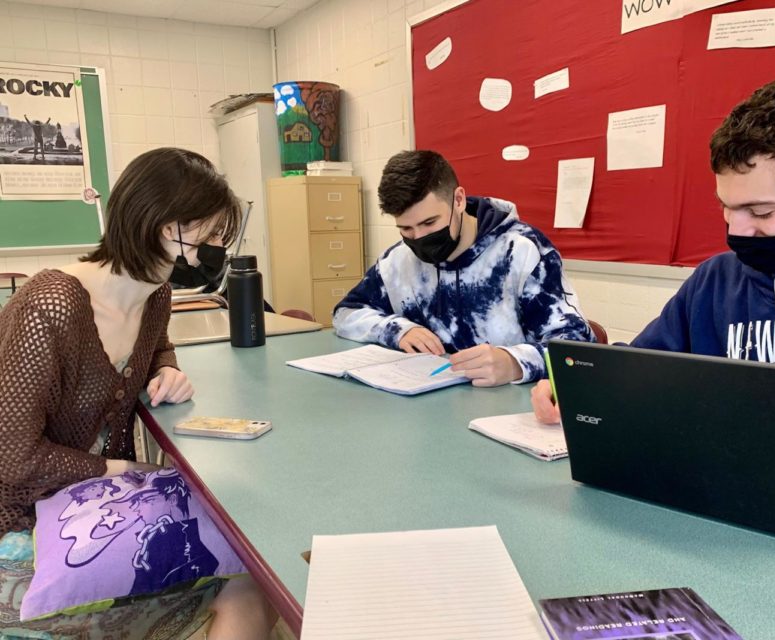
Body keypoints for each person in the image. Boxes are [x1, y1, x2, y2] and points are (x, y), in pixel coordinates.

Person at [532, 73, 775, 486]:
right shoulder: (717, 281)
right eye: (726, 206)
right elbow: (643, 374)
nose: (737, 229)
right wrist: (578, 386)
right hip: (727, 495)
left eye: (761, 212)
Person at [0, 148, 275, 638]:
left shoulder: (157, 294)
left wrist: (167, 370)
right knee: (251, 581)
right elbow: (12, 458)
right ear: (162, 226)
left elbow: (157, 345)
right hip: (25, 526)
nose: (218, 248)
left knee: (253, 569)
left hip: (93, 503)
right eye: (210, 235)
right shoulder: (50, 305)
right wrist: (124, 469)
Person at [332, 150, 595, 386]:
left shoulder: (522, 251)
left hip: (507, 409)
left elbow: (576, 347)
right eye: (406, 228)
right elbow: (346, 313)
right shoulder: (397, 261)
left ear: (458, 200)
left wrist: (515, 362)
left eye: (429, 223)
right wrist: (397, 330)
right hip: (425, 409)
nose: (419, 237)